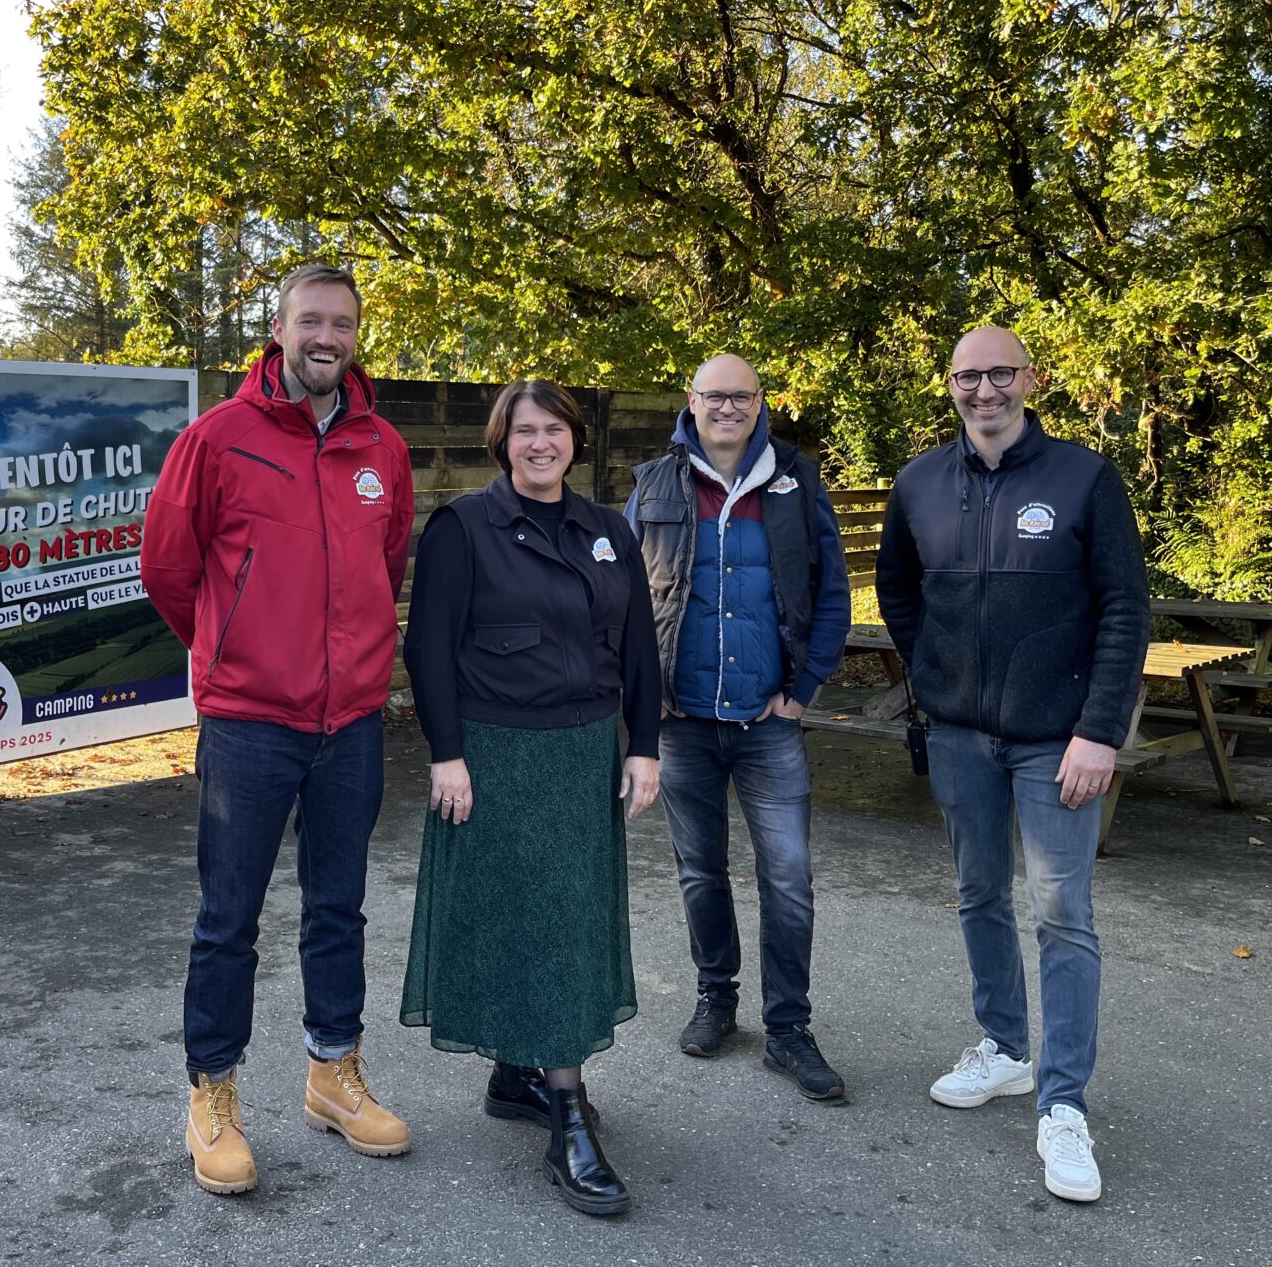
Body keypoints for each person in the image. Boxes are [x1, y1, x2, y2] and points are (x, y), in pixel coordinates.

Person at [141, 263, 417, 1197]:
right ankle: (211, 1093)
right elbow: (169, 572)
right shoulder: (217, 438)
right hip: (252, 723)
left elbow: (388, 563)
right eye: (311, 320)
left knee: (338, 909)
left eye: (342, 322)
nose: (326, 337)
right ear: (279, 328)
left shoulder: (385, 446)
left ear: (355, 333)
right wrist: (234, 653)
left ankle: (332, 1073)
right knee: (229, 920)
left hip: (352, 724)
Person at [874, 326, 1148, 1205]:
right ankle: (1005, 1048)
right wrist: (934, 677)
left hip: (1057, 740)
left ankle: (1062, 1105)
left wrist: (1100, 730)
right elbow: (899, 592)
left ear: (1028, 379)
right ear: (949, 384)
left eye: (1000, 373)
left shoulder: (1084, 478)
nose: (984, 389)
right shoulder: (919, 483)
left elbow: (1124, 609)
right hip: (959, 736)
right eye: (967, 375)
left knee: (1063, 915)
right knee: (977, 893)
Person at [400, 379, 662, 1218]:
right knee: (526, 916)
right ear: (501, 442)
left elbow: (642, 650)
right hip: (497, 752)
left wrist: (645, 746)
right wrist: (447, 756)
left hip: (585, 753)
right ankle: (568, 1119)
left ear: (575, 442)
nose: (540, 443)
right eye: (525, 431)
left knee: (563, 917)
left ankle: (520, 1075)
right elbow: (428, 649)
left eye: (554, 429)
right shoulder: (464, 529)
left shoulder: (608, 531)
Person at [625, 354, 853, 1100]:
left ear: (761, 404)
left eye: (741, 395)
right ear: (691, 401)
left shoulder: (796, 480)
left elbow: (830, 590)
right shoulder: (656, 482)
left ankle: (788, 1028)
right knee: (700, 871)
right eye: (714, 395)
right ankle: (715, 1000)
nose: (727, 406)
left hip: (768, 724)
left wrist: (804, 686)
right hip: (682, 722)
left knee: (788, 878)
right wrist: (642, 692)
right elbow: (621, 593)